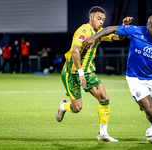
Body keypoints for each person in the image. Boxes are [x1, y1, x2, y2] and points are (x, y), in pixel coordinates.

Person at [82, 15, 152, 142]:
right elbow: (110, 29)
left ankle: (145, 105)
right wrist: (94, 37)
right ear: (148, 25)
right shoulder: (135, 31)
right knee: (149, 108)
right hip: (135, 78)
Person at [56, 6, 125, 142]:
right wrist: (80, 74)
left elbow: (118, 37)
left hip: (88, 72)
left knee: (104, 98)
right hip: (72, 73)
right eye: (99, 19)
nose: (101, 22)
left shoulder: (99, 33)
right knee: (77, 108)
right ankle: (63, 106)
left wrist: (124, 27)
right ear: (91, 17)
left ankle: (103, 134)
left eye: (103, 20)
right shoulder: (83, 31)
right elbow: (75, 52)